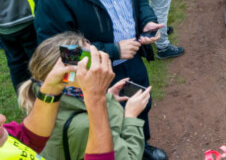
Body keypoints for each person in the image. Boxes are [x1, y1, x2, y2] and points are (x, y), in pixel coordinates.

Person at [33, 0, 169, 160]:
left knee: (138, 106)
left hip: (132, 61)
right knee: (105, 119)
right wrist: (114, 51)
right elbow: (57, 54)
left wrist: (146, 20)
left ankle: (141, 147)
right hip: (91, 75)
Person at [18, 32, 148, 159]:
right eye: (91, 62)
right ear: (68, 77)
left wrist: (107, 97)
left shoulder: (43, 101)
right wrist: (131, 117)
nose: (100, 66)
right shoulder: (85, 125)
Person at [0, 45, 117, 159]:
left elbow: (26, 139)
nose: (2, 119)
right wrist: (98, 101)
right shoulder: (81, 126)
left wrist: (51, 89)